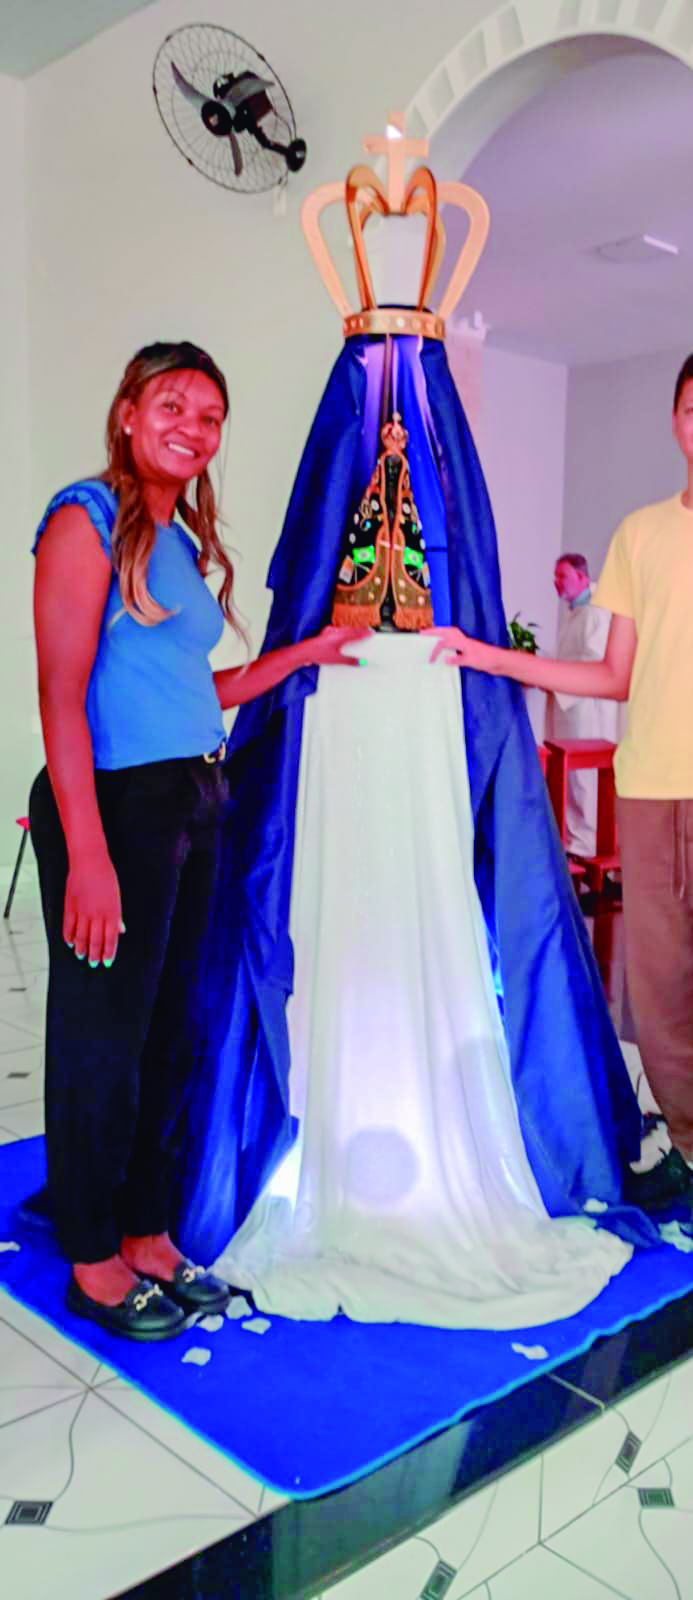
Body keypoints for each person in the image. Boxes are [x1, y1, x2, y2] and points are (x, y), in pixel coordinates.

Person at [172, 135, 657, 1329]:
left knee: (428, 885)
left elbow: (464, 570)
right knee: (332, 889)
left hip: (421, 681)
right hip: (345, 685)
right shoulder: (353, 366)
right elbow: (314, 562)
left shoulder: (439, 322)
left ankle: (451, 1137)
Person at [430, 344, 693, 1284]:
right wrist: (491, 656)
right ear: (676, 421)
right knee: (656, 1003)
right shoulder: (642, 535)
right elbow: (613, 675)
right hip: (650, 790)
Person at [28, 340, 364, 1341]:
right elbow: (60, 696)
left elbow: (192, 692)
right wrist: (88, 852)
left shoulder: (174, 539)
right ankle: (92, 1254)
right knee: (103, 1035)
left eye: (209, 415)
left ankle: (145, 1229)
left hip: (191, 797)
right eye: (172, 404)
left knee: (174, 1029)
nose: (192, 426)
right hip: (115, 807)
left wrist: (301, 656)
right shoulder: (84, 518)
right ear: (128, 412)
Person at [548, 552, 620, 857]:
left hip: (587, 709)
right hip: (570, 706)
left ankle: (587, 842)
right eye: (555, 576)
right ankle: (573, 838)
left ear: (581, 576)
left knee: (584, 779)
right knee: (568, 776)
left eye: (562, 576)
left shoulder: (596, 612)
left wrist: (554, 677)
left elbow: (594, 660)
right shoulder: (574, 612)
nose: (556, 582)